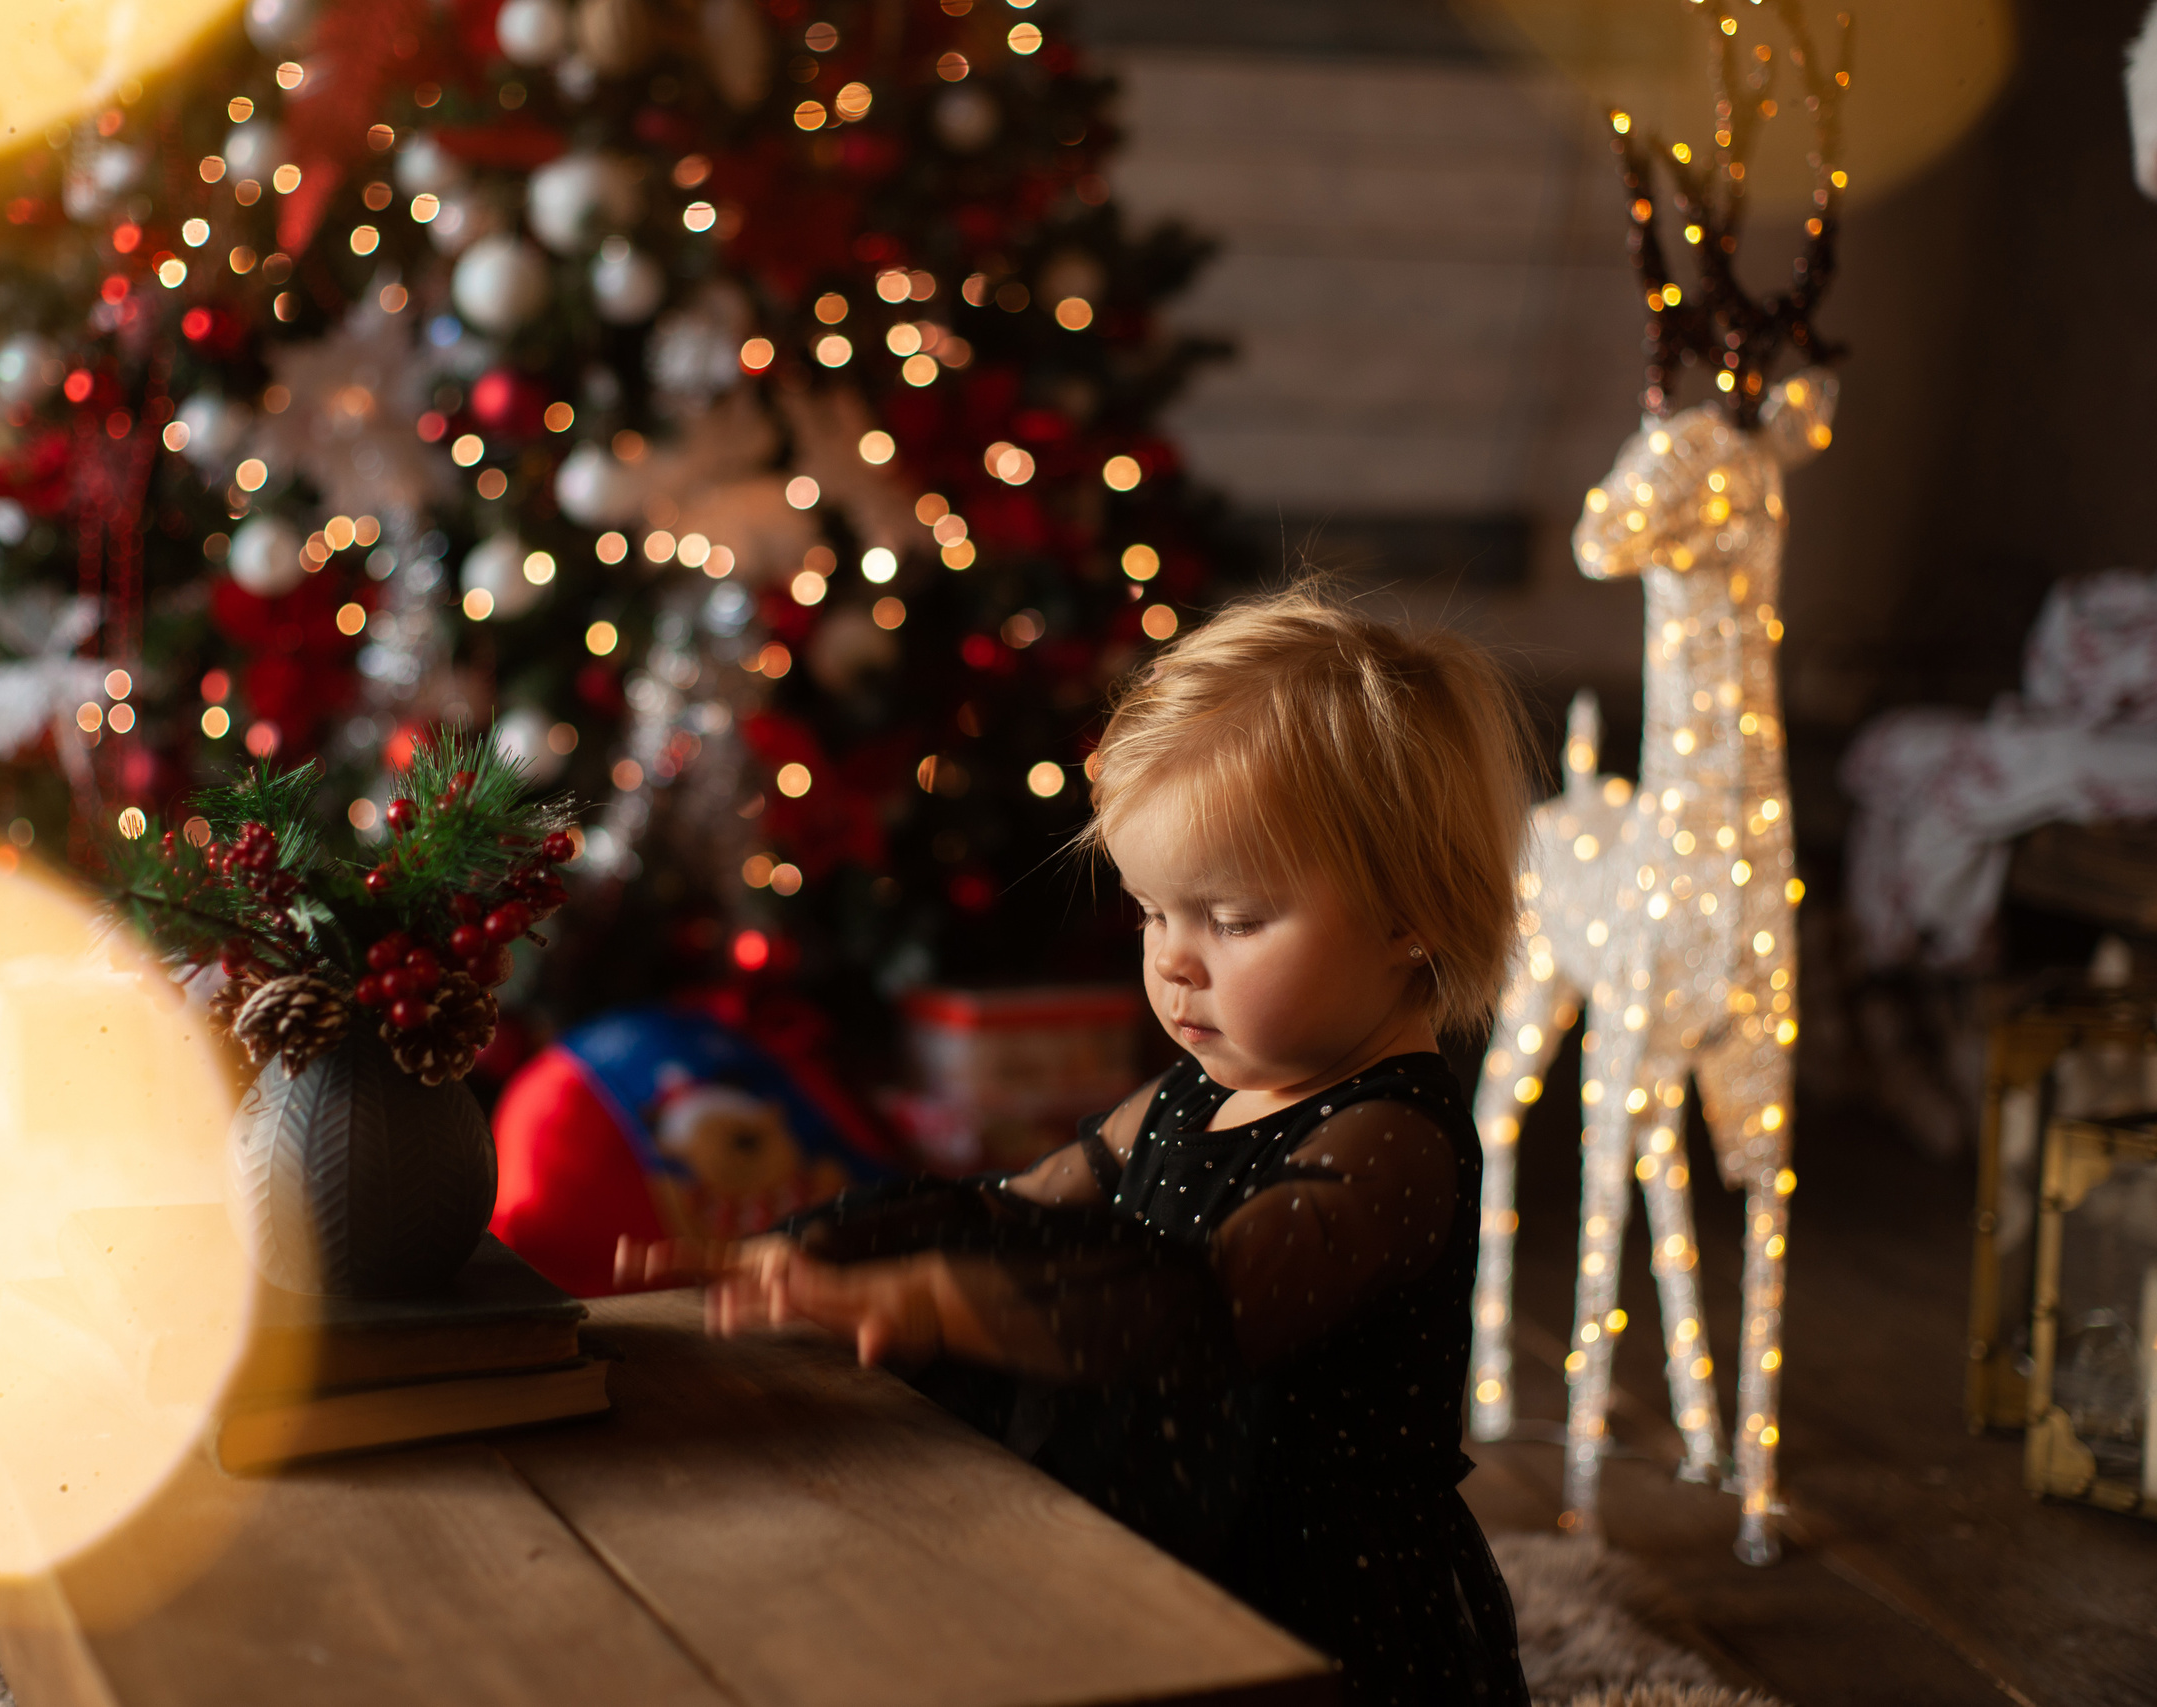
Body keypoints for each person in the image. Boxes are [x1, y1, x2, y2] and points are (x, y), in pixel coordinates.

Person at [620, 582, 1534, 1704]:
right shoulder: (1187, 1096)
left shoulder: (1392, 1139)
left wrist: (940, 1304)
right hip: (1181, 1525)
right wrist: (820, 1258)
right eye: (1153, 912)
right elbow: (1015, 1206)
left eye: (1234, 920)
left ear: (1411, 914)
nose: (1174, 962)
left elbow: (1205, 1311)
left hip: (1319, 1599)